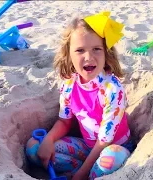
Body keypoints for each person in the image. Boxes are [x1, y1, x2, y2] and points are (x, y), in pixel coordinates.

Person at [25, 11, 136, 180]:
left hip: (112, 148)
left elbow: (104, 141)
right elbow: (64, 121)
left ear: (106, 53)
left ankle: (83, 174)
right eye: (80, 50)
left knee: (112, 157)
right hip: (86, 147)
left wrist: (79, 176)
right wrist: (48, 140)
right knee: (34, 147)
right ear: (69, 54)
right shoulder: (69, 85)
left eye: (97, 49)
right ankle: (79, 171)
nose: (89, 57)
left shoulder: (112, 90)